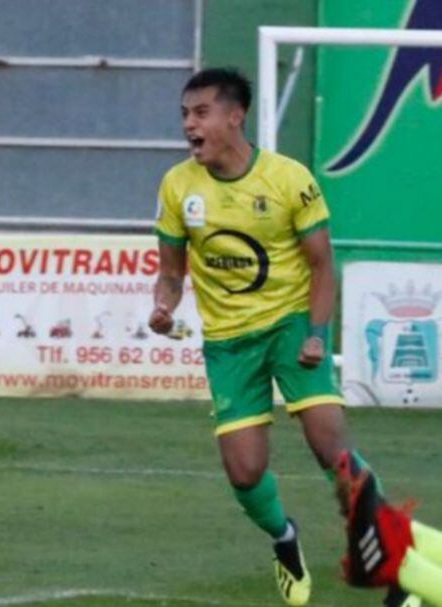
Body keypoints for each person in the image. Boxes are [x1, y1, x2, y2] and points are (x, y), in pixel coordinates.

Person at [149, 67, 442, 607]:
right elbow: (171, 270)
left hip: (288, 326)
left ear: (235, 116)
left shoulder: (289, 179)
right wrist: (163, 306)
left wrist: (314, 333)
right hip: (229, 344)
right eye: (185, 115)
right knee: (244, 471)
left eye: (201, 113)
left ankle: (401, 573)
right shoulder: (177, 186)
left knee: (333, 449)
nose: (189, 125)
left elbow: (322, 265)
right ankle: (285, 539)